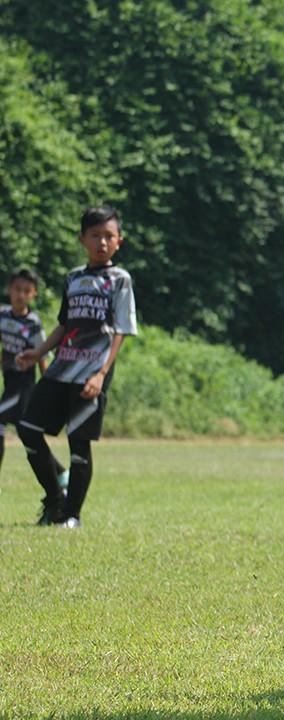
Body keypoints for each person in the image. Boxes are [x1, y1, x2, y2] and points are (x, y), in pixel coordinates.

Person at [16, 205, 137, 528]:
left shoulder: (119, 280)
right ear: (81, 239)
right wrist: (36, 352)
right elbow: (63, 326)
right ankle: (55, 499)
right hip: (61, 367)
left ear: (118, 241)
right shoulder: (73, 278)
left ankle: (71, 516)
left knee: (78, 443)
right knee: (28, 429)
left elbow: (122, 330)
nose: (102, 242)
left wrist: (101, 374)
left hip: (92, 371)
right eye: (95, 236)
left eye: (108, 236)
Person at [0, 269, 68, 490]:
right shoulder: (3, 315)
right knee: (26, 433)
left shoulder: (33, 322)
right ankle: (60, 473)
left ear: (34, 295)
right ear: (8, 290)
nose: (20, 295)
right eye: (17, 289)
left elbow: (41, 355)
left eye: (26, 291)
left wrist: (46, 384)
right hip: (9, 380)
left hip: (25, 383)